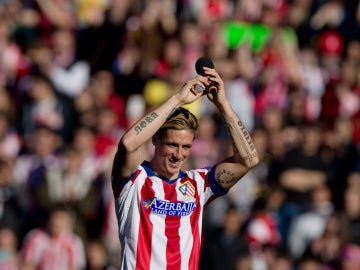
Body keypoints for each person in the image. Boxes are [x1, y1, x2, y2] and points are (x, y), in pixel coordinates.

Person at [111, 65, 259, 269]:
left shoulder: (199, 184)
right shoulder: (134, 181)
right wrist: (178, 99)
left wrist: (222, 103)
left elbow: (248, 160)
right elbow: (128, 143)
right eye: (172, 144)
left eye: (186, 147)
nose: (178, 155)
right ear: (155, 140)